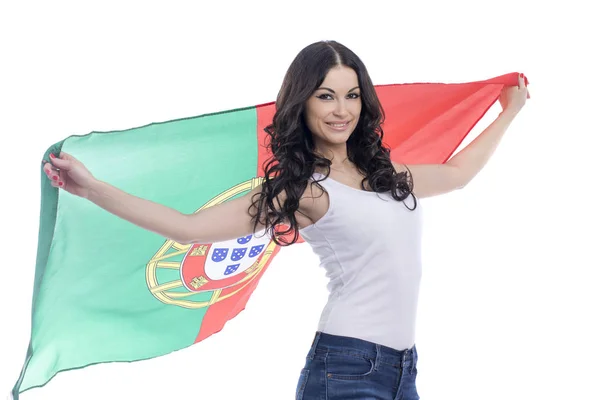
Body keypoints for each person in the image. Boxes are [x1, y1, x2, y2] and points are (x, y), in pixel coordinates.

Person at [42, 41, 528, 399]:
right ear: (303, 103)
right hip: (347, 367)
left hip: (404, 369)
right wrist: (92, 188)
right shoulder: (302, 189)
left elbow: (458, 174)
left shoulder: (385, 174)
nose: (342, 110)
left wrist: (508, 112)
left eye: (352, 95)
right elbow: (187, 228)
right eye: (326, 96)